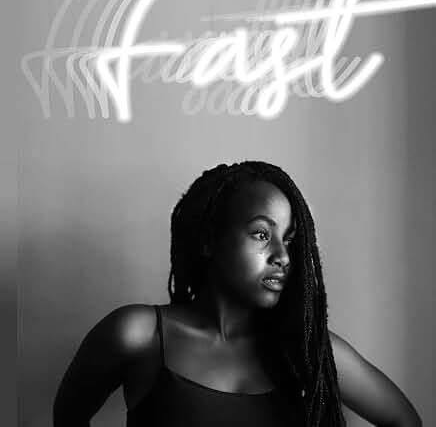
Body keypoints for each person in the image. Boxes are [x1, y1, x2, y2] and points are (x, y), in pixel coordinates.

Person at [53, 161, 422, 426]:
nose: (282, 256)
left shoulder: (307, 350)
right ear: (209, 240)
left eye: (288, 240)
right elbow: (66, 417)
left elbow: (405, 420)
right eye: (261, 234)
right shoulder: (137, 335)